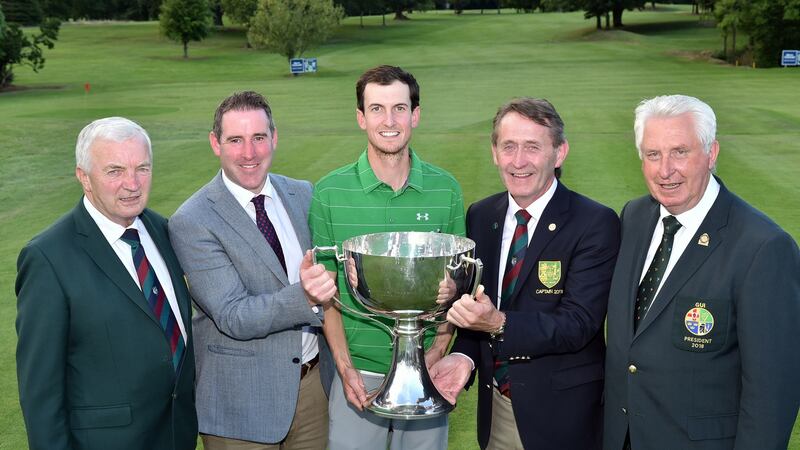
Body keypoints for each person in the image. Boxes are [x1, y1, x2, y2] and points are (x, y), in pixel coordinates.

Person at [602, 94, 800, 450]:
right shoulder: (633, 218)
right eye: (653, 154)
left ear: (711, 154)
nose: (665, 169)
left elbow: (773, 391)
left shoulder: (764, 247)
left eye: (680, 152)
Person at [429, 98, 620, 450]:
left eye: (533, 147)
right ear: (494, 152)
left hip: (564, 419)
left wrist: (498, 323)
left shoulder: (595, 223)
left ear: (559, 153)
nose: (519, 161)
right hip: (498, 410)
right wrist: (464, 356)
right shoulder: (482, 215)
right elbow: (479, 306)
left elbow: (578, 324)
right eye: (509, 147)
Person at [304, 65, 465, 450]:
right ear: (361, 117)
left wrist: (436, 354)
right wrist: (344, 369)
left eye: (399, 108)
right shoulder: (329, 192)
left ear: (416, 114)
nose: (388, 121)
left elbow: (459, 288)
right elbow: (328, 298)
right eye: (376, 109)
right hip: (359, 375)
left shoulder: (446, 189)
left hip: (425, 372)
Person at [15, 117, 197, 450]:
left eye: (142, 168)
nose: (133, 184)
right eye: (114, 171)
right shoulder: (48, 258)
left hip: (175, 434)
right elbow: (41, 393)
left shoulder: (163, 231)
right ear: (84, 177)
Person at [168, 91, 335, 449]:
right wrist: (305, 295)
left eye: (259, 137)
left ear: (274, 138)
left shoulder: (303, 194)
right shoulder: (193, 220)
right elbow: (233, 314)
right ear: (216, 143)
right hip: (241, 405)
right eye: (235, 140)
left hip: (313, 393)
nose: (249, 153)